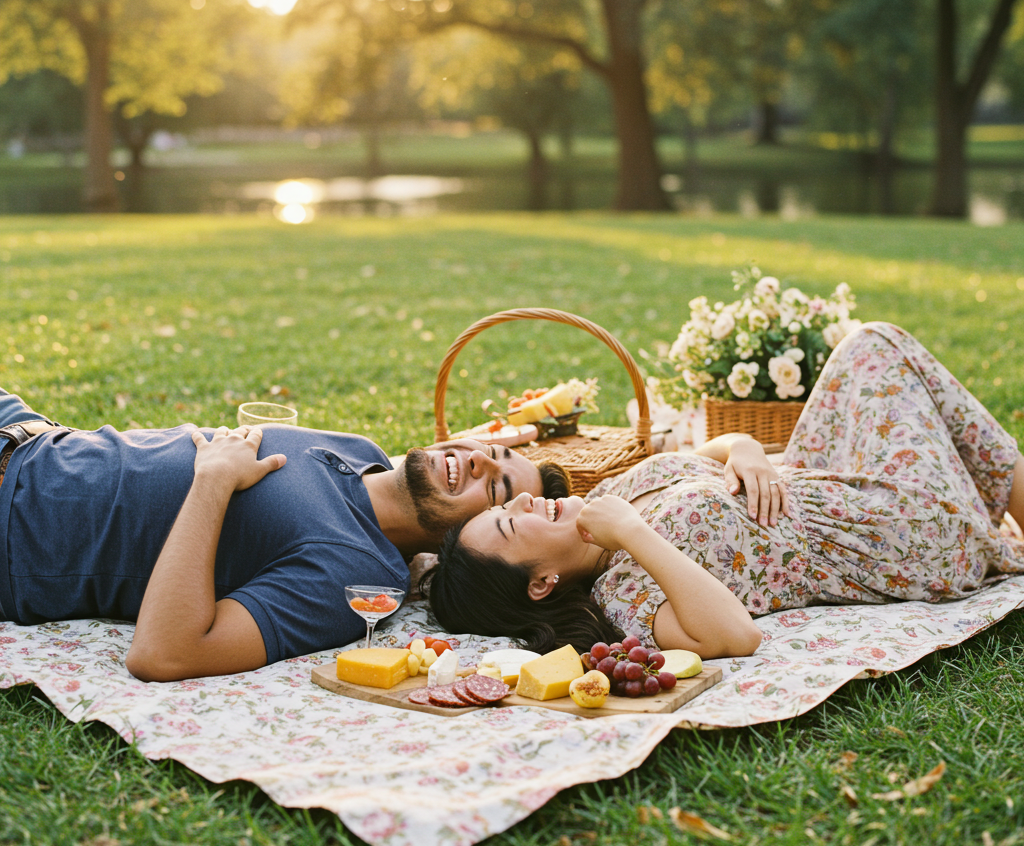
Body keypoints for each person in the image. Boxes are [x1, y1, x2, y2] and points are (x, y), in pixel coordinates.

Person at [426, 322, 1024, 658]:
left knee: (863, 346)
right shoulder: (628, 599)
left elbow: (703, 453)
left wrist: (742, 449)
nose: (525, 500)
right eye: (510, 522)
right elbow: (737, 637)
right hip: (897, 534)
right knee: (880, 347)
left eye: (509, 503)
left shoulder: (610, 490)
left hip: (816, 478)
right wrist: (631, 535)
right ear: (540, 583)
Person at [0, 389, 560, 681]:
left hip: (14, 525)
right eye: (492, 452)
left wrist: (214, 483)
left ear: (469, 537)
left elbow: (164, 655)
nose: (479, 462)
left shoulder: (356, 575)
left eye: (495, 489)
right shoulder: (362, 451)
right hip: (26, 431)